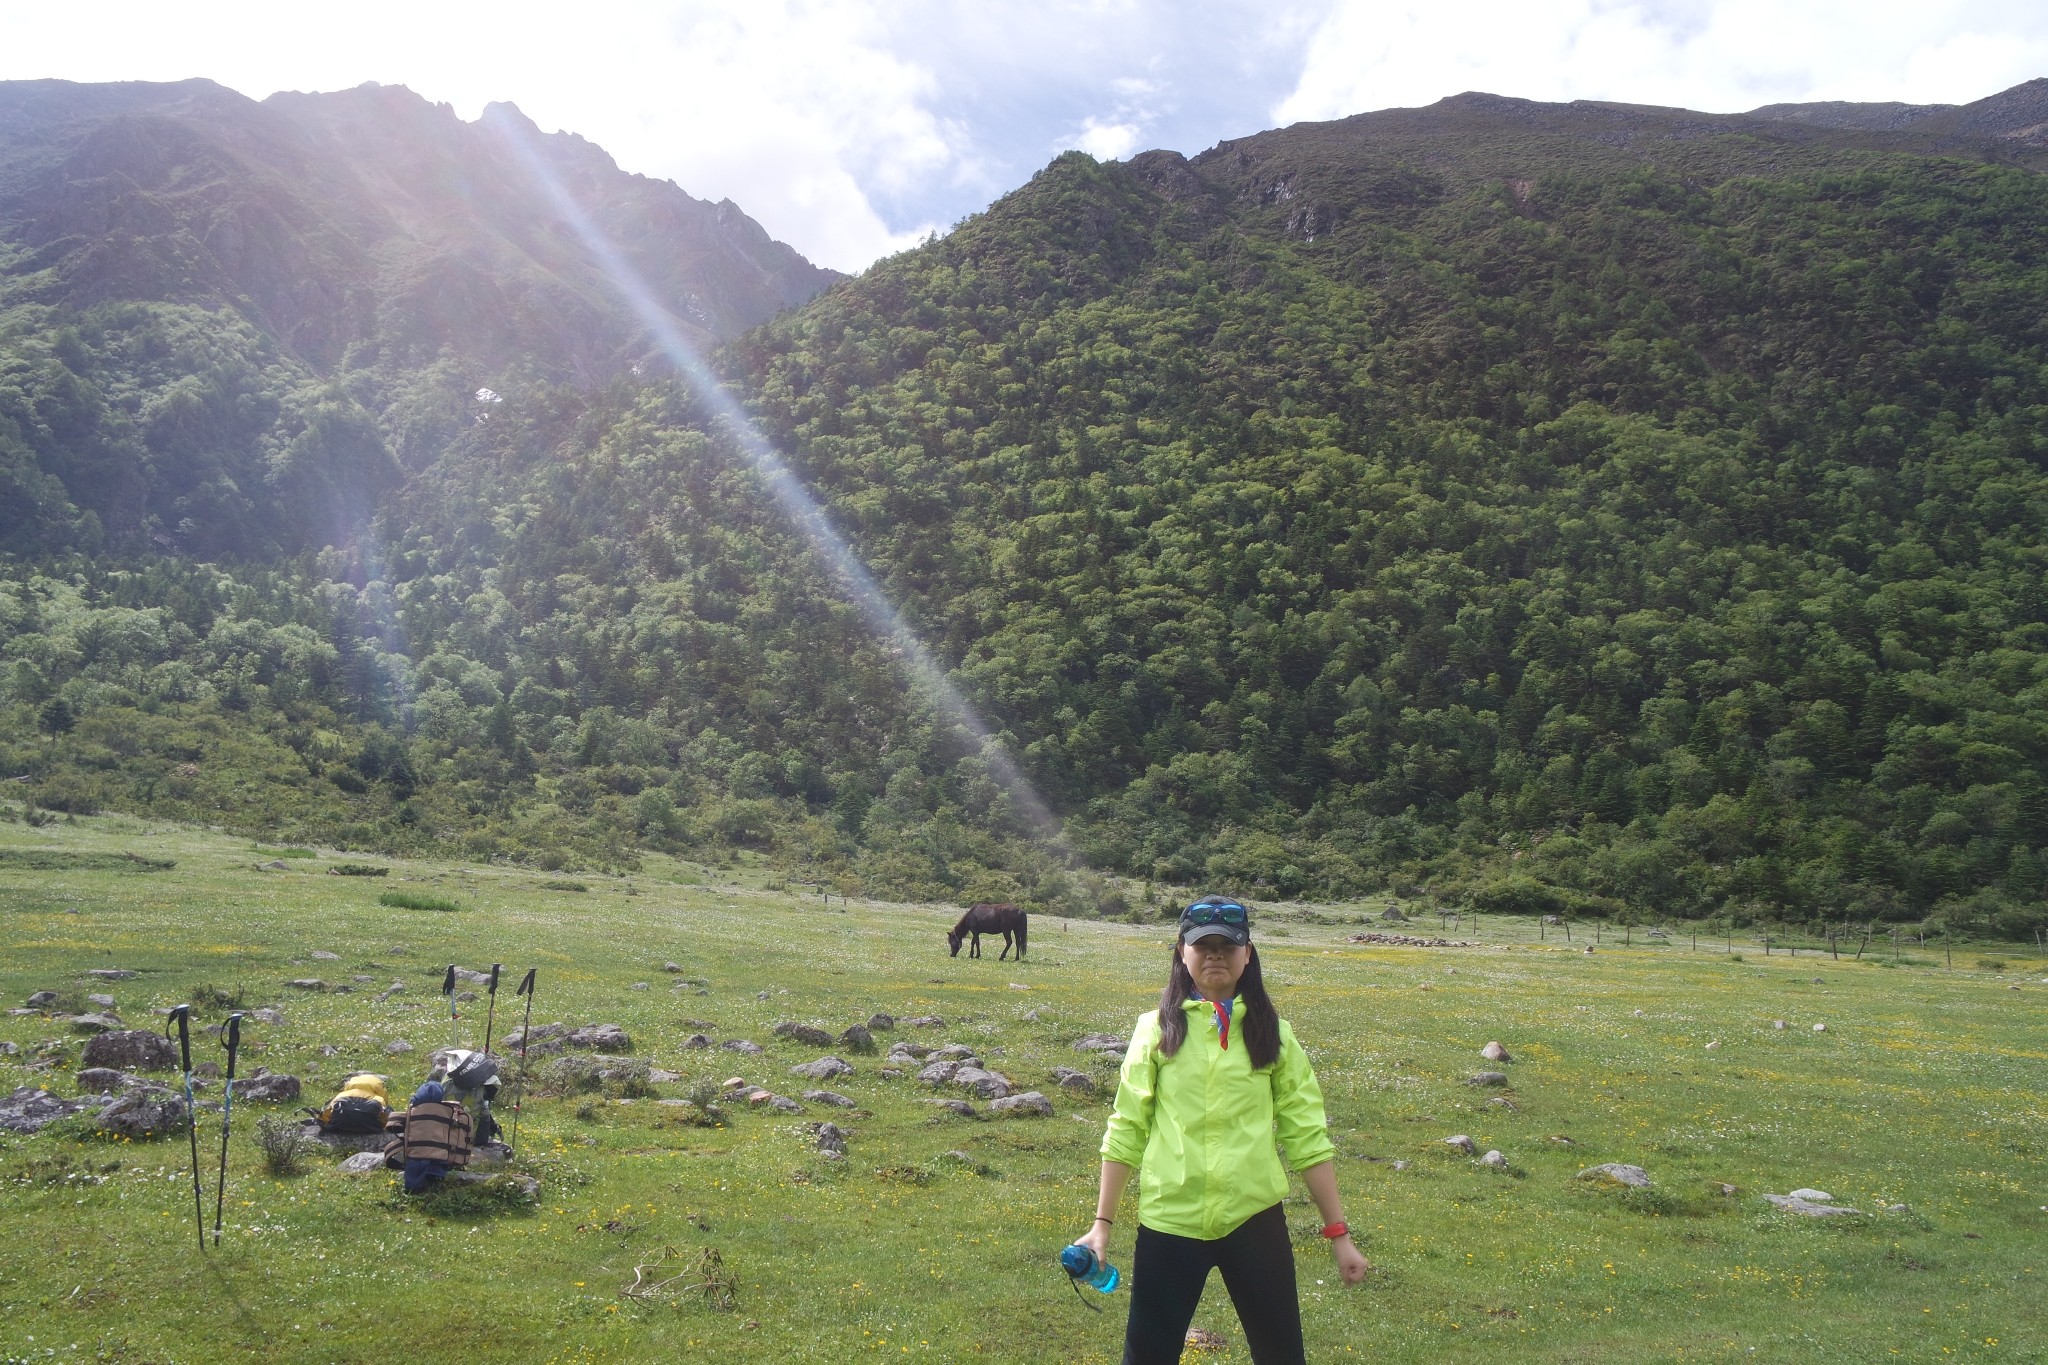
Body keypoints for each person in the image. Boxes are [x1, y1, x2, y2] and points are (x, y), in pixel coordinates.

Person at [1075, 895, 1369, 1364]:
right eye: (1203, 944)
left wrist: (1340, 1235)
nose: (1215, 954)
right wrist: (1101, 1226)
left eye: (1228, 946)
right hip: (1170, 1224)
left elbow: (1308, 1139)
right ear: (1181, 952)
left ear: (1247, 954)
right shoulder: (1154, 1031)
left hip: (1255, 1225)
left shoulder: (1275, 1034)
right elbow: (1126, 1128)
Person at [385, 1069, 474, 1194]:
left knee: (414, 1172)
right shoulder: (447, 1111)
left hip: (415, 1154)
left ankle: (412, 1189)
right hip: (439, 1155)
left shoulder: (414, 1109)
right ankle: (435, 1177)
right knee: (438, 1163)